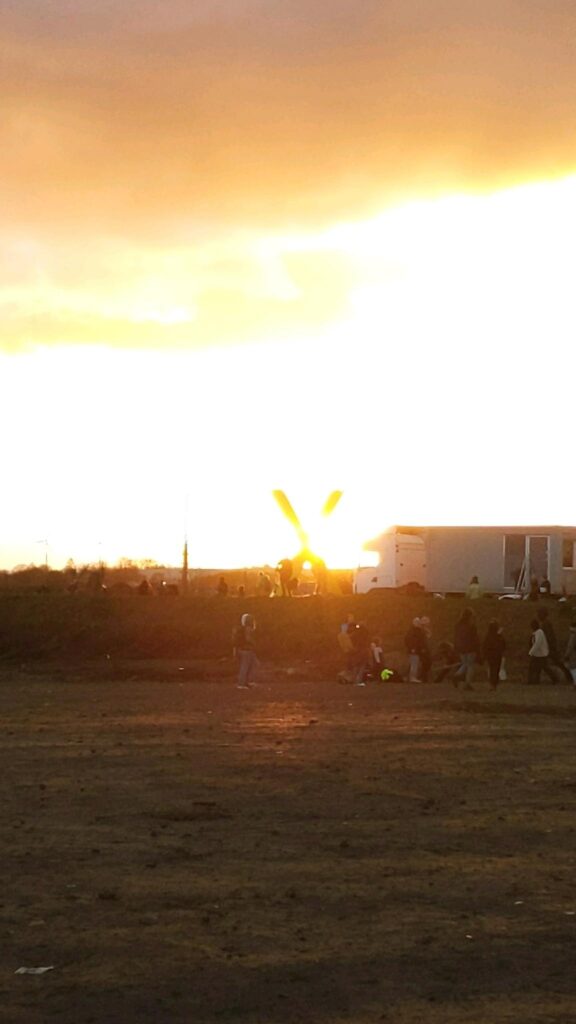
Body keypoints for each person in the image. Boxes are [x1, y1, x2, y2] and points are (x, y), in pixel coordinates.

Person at [537, 608, 572, 684]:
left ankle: (564, 677)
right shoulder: (545, 623)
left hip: (549, 648)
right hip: (549, 647)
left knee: (553, 663)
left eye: (540, 614)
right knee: (554, 663)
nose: (538, 616)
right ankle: (565, 677)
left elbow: (549, 636)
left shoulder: (546, 624)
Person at [454, 608, 480, 688]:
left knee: (465, 664)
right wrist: (477, 648)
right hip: (471, 648)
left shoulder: (458, 625)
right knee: (470, 665)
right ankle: (467, 683)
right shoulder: (472, 626)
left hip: (461, 648)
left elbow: (456, 637)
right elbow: (475, 638)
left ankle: (456, 676)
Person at [233, 613, 258, 689]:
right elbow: (248, 639)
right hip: (247, 650)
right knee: (245, 666)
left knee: (253, 664)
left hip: (241, 649)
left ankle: (247, 682)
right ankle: (241, 684)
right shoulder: (248, 628)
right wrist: (254, 643)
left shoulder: (240, 628)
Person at [482, 619, 506, 690]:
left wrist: (485, 654)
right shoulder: (499, 636)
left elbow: (485, 645)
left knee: (492, 669)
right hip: (498, 655)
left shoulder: (488, 636)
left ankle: (492, 683)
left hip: (490, 655)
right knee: (496, 669)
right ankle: (494, 683)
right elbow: (503, 644)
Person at [404, 617, 428, 683]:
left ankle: (409, 677)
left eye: (418, 622)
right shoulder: (412, 631)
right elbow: (409, 640)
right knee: (414, 663)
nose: (418, 624)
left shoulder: (417, 630)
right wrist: (412, 648)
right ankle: (412, 677)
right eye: (417, 622)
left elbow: (421, 641)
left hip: (416, 649)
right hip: (413, 650)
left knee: (414, 663)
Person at [350, 620, 371, 686]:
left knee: (356, 666)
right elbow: (368, 640)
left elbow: (351, 639)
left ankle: (354, 680)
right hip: (363, 649)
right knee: (362, 665)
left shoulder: (355, 633)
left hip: (356, 650)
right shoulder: (366, 632)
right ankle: (358, 681)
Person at [528, 617, 549, 684]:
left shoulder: (539, 632)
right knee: (536, 668)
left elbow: (537, 643)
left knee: (543, 668)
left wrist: (531, 652)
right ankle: (533, 681)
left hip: (541, 654)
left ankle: (555, 679)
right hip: (538, 654)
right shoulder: (536, 632)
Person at [564, 617, 576, 684]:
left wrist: (566, 655)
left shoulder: (573, 635)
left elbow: (570, 646)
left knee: (573, 669)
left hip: (574, 655)